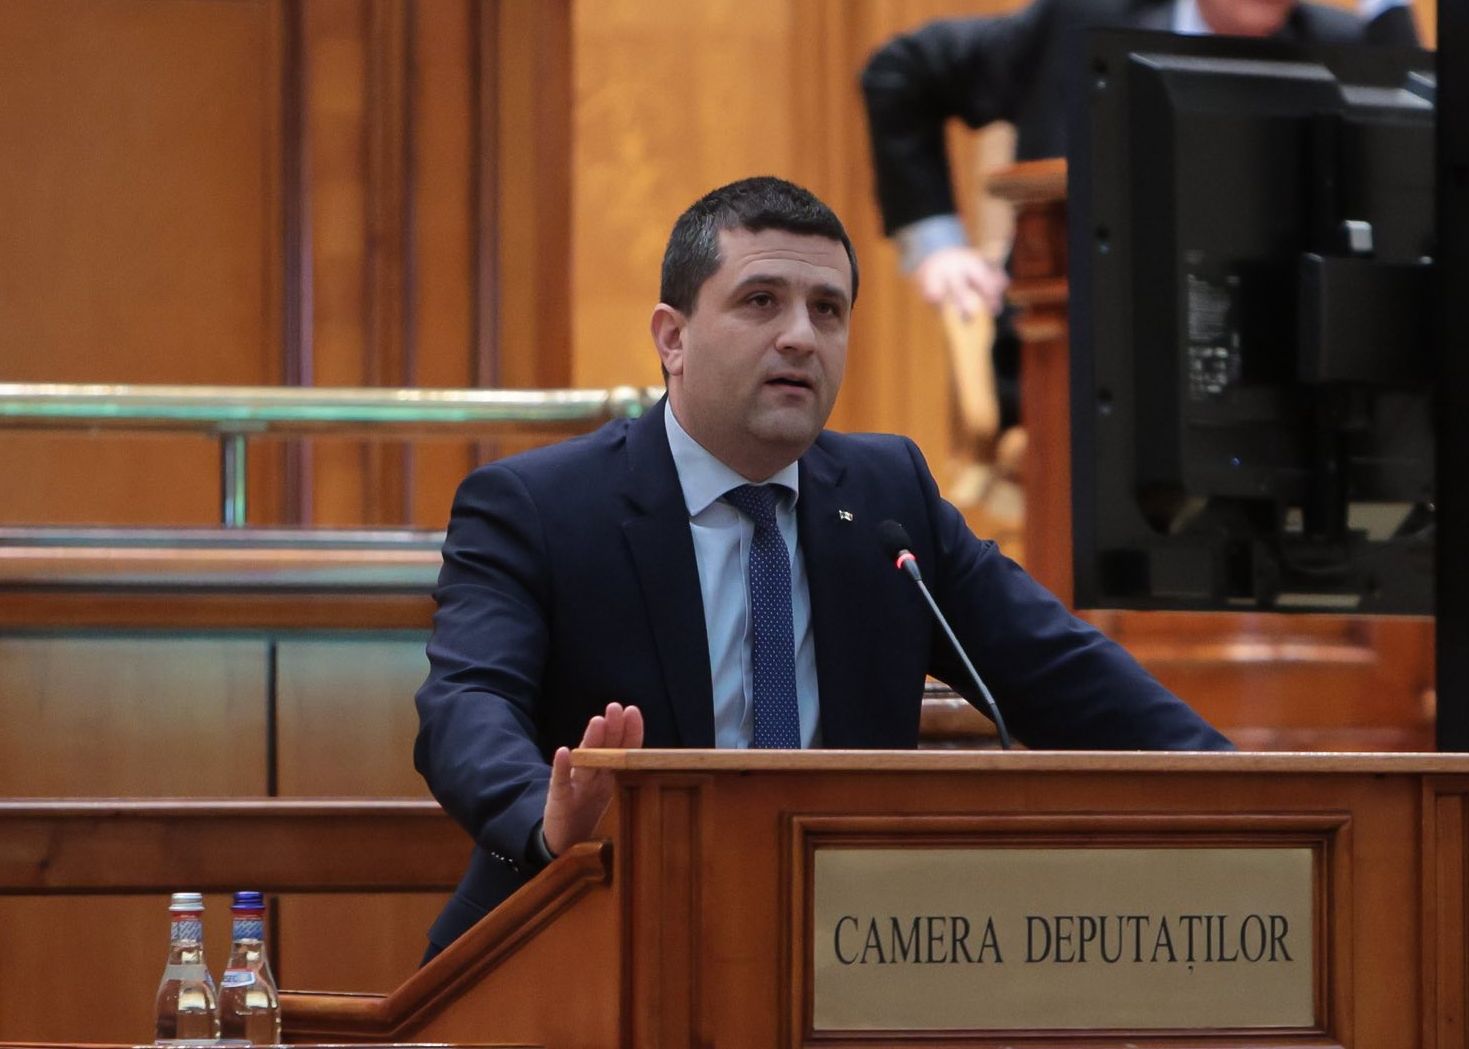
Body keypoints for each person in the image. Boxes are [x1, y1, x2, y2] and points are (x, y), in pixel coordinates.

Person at [413, 176, 1231, 959]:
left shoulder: (887, 498)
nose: (801, 336)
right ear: (672, 338)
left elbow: (1064, 673)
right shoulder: (539, 506)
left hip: (838, 952)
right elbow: (466, 704)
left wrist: (1249, 795)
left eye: (827, 309)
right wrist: (548, 818)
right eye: (761, 301)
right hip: (578, 933)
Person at [860, 0, 1421, 432]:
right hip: (1080, 367)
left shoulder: (1342, 45)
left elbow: (1417, 160)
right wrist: (937, 243)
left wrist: (1391, 14)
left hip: (1278, 381)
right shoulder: (1083, 18)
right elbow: (900, 74)